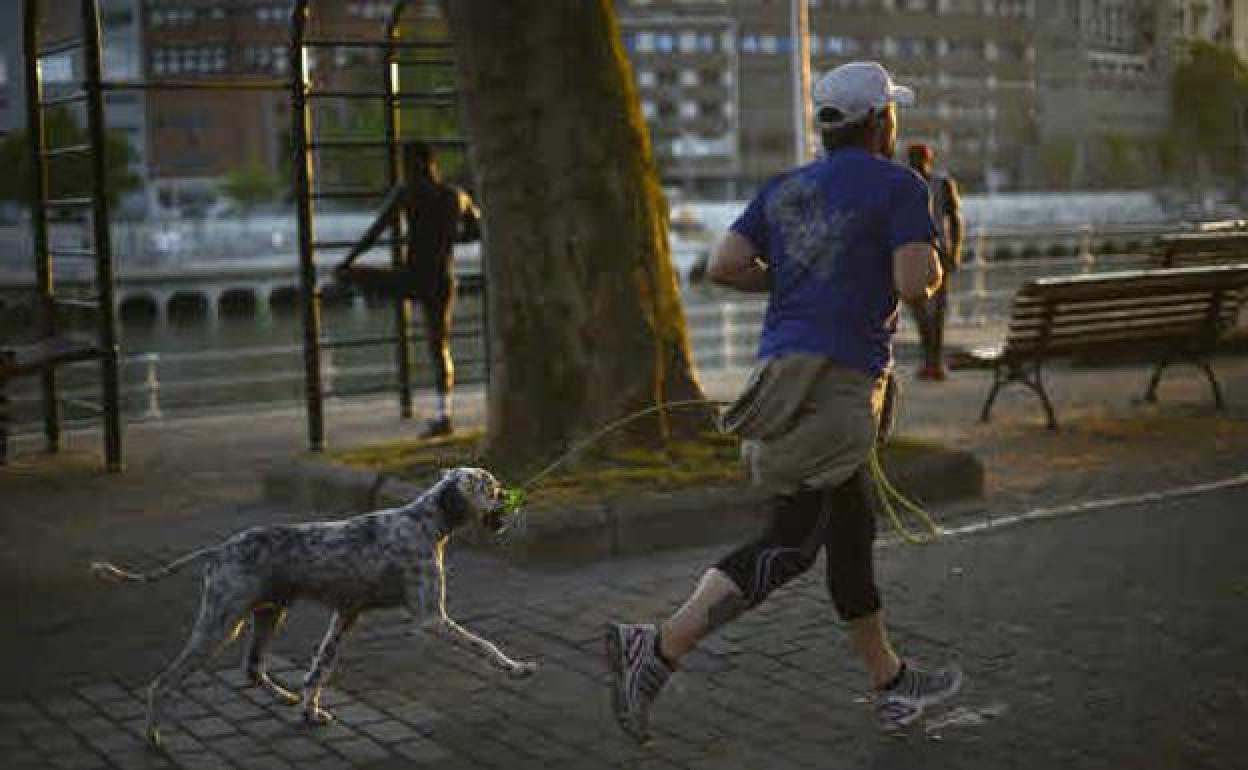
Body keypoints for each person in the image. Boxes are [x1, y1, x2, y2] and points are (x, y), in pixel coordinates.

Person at [603, 61, 962, 743]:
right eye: (893, 113)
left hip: (779, 379)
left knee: (850, 531)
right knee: (794, 541)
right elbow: (915, 281)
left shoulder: (786, 188)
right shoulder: (900, 184)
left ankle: (889, 681)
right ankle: (658, 648)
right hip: (838, 386)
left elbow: (723, 265)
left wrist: (800, 284)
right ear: (881, 122)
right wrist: (935, 264)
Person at [335, 140, 480, 438]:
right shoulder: (456, 196)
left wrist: (346, 262)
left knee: (354, 276)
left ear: (415, 164)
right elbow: (476, 230)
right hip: (441, 279)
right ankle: (444, 415)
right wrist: (450, 240)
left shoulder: (408, 193)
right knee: (439, 346)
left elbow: (375, 232)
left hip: (413, 278)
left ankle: (348, 287)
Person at [905, 143, 963, 381]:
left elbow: (955, 220)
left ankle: (933, 361)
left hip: (931, 251)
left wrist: (954, 252)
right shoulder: (905, 187)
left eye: (919, 159)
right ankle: (930, 359)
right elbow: (956, 221)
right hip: (921, 251)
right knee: (921, 308)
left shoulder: (941, 184)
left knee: (934, 311)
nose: (916, 164)